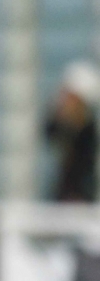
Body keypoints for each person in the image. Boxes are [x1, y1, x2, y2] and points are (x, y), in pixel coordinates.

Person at [45, 61, 98, 203]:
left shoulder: (89, 131)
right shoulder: (64, 125)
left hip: (82, 196)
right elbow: (49, 133)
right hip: (64, 194)